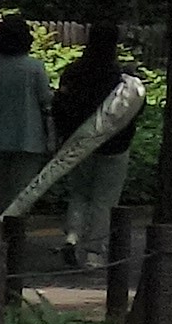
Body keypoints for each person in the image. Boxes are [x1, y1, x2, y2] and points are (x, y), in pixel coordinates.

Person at [52, 18, 138, 268]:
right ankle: (93, 253)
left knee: (79, 193)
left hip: (78, 143)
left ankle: (72, 236)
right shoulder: (119, 77)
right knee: (104, 199)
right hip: (113, 145)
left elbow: (60, 106)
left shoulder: (74, 72)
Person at [0, 12, 50, 212]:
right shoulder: (35, 67)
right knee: (23, 192)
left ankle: (5, 230)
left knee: (3, 189)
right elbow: (46, 100)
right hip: (28, 136)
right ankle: (17, 234)